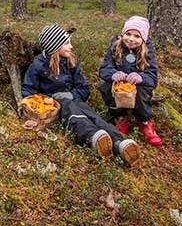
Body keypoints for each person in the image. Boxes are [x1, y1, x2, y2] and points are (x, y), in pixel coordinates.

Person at [22, 25, 140, 167]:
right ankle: (93, 137)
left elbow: (83, 88)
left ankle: (119, 142)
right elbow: (29, 90)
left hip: (74, 99)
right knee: (74, 114)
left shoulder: (70, 61)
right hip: (55, 105)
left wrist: (71, 95)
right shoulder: (38, 65)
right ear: (54, 47)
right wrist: (27, 109)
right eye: (66, 43)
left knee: (91, 114)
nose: (71, 47)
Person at [98, 16, 162, 146]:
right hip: (119, 85)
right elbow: (104, 68)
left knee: (142, 91)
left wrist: (141, 77)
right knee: (107, 87)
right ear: (123, 34)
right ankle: (119, 116)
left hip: (137, 86)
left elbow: (152, 76)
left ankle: (144, 121)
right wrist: (113, 74)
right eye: (128, 34)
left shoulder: (147, 51)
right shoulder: (115, 47)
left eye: (137, 36)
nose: (131, 39)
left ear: (143, 38)